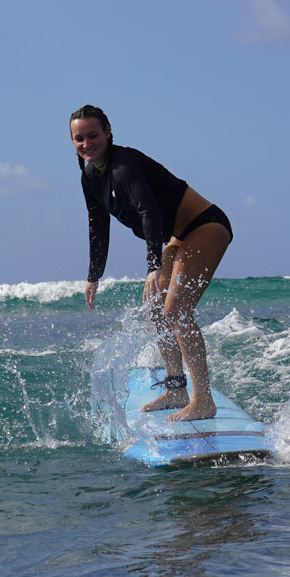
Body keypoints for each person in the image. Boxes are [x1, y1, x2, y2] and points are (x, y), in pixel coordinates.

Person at [71, 104, 232, 421]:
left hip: (205, 226)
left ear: (108, 132)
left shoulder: (124, 167)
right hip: (178, 236)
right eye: (79, 138)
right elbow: (97, 222)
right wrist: (94, 276)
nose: (87, 143)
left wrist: (152, 266)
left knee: (177, 310)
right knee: (156, 309)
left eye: (93, 135)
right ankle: (176, 389)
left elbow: (150, 212)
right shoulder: (90, 175)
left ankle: (203, 401)